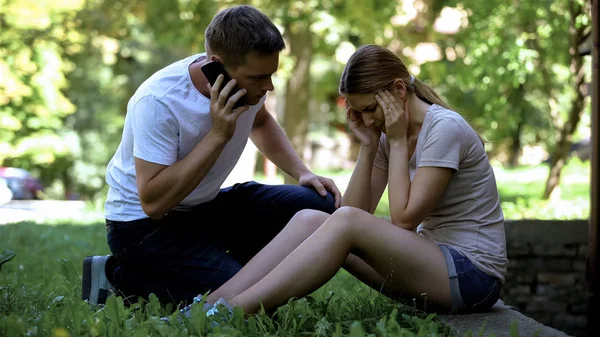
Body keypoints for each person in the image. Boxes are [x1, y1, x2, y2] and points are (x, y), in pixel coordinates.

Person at [183, 44, 508, 317]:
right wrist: (368, 147)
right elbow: (349, 214)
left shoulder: (444, 129)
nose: (367, 120)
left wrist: (394, 143)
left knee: (343, 222)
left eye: (370, 109)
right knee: (310, 219)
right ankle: (204, 307)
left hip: (471, 277)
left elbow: (404, 219)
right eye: (358, 112)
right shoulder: (384, 137)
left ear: (397, 90)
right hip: (430, 266)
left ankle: (229, 314)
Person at [81, 5, 342, 307]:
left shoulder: (244, 88)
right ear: (217, 65)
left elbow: (261, 121)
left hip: (204, 208)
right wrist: (218, 135)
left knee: (321, 205)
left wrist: (302, 172)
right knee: (250, 303)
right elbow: (153, 203)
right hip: (143, 227)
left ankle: (235, 271)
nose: (268, 86)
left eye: (271, 74)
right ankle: (119, 277)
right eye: (259, 77)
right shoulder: (159, 102)